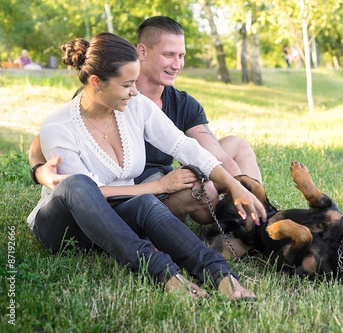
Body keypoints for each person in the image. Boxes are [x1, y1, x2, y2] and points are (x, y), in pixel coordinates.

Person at [28, 32, 267, 300]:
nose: (135, 91)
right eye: (127, 84)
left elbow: (184, 145)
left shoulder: (136, 106)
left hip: (116, 220)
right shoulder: (58, 126)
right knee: (79, 183)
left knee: (146, 204)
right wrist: (157, 185)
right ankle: (162, 273)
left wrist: (234, 185)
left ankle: (221, 275)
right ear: (96, 82)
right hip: (65, 227)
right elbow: (86, 195)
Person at [29, 16, 261, 224]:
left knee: (236, 147)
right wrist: (40, 171)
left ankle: (257, 218)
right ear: (142, 52)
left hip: (162, 177)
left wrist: (235, 185)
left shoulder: (180, 103)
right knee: (205, 193)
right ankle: (231, 221)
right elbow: (47, 141)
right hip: (127, 190)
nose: (177, 64)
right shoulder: (102, 95)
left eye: (181, 56)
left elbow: (196, 149)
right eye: (169, 55)